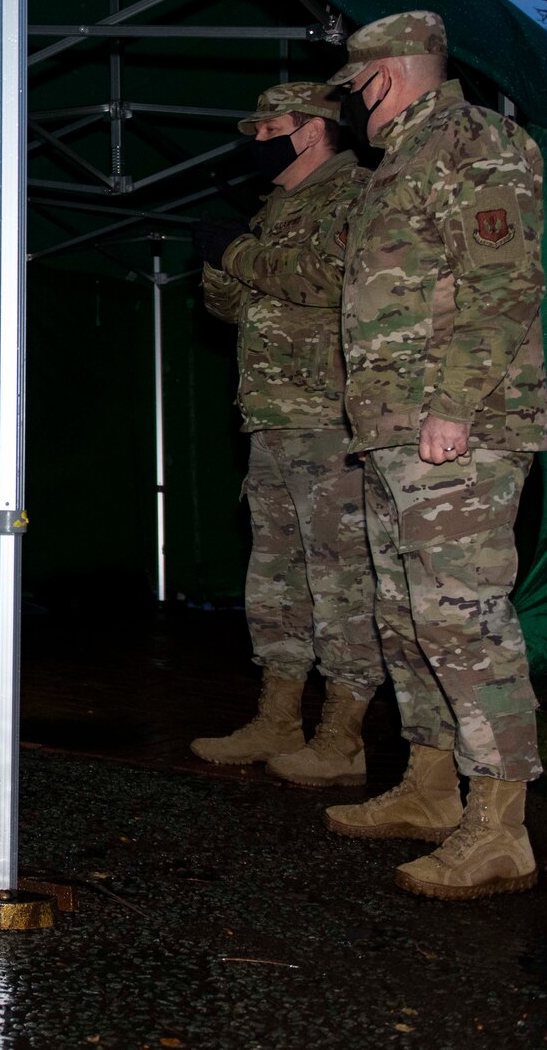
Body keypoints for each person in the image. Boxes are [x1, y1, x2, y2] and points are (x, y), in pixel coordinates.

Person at [326, 10, 547, 900]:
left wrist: (454, 405)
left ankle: (500, 827)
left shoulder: (472, 140)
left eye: (355, 90)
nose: (352, 110)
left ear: (387, 74)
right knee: (406, 614)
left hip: (460, 428)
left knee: (465, 617)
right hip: (392, 430)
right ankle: (430, 786)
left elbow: (506, 280)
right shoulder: (398, 164)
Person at [189, 83, 384, 787]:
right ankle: (278, 715)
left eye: (269, 124)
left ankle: (344, 735)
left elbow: (330, 280)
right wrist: (219, 263)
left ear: (310, 131)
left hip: (330, 420)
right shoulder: (277, 208)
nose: (257, 137)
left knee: (340, 576)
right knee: (275, 576)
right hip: (272, 419)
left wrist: (237, 253)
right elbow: (236, 308)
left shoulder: (354, 194)